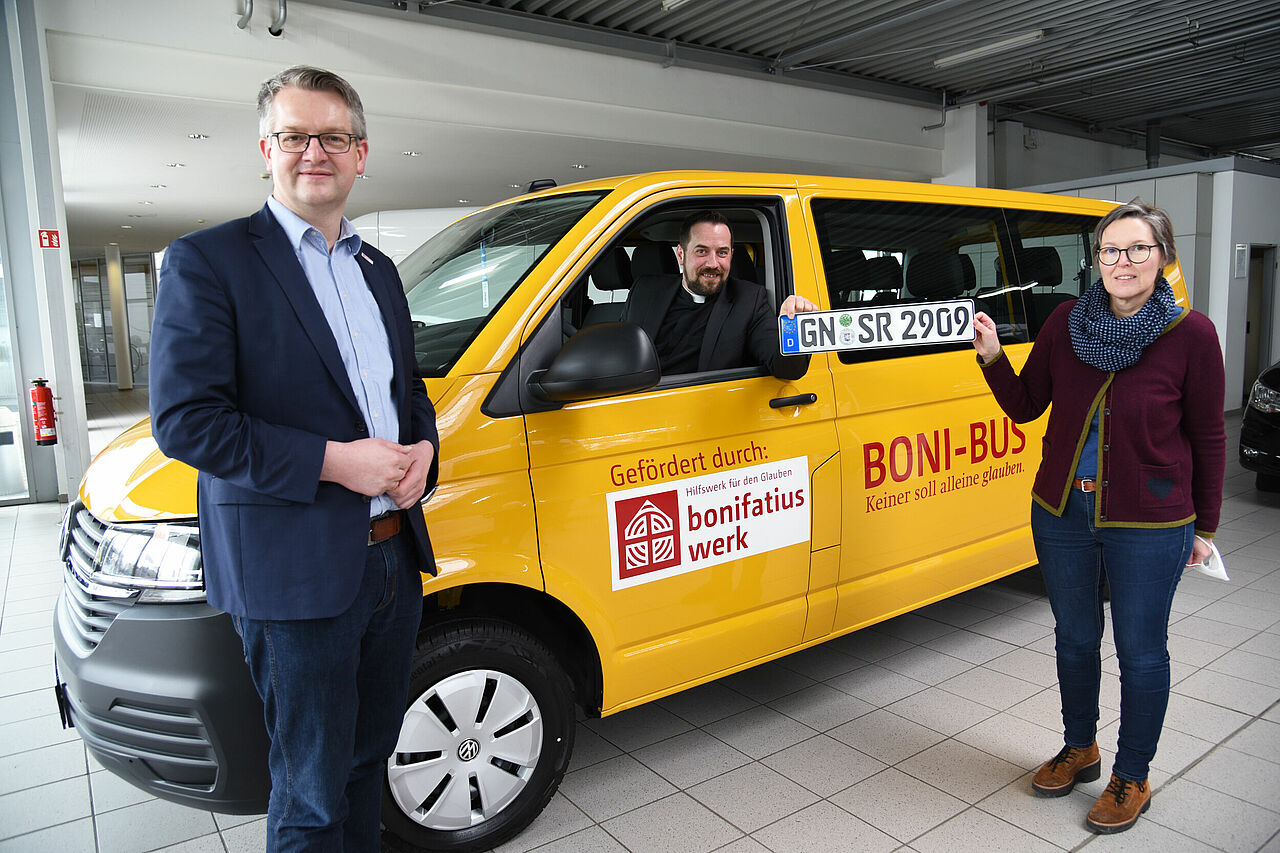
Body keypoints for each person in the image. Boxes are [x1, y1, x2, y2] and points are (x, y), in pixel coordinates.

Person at [150, 66, 439, 851]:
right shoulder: (210, 261)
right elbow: (186, 421)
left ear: (361, 152)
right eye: (295, 135)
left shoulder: (378, 272)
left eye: (334, 137)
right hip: (294, 575)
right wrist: (334, 463)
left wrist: (422, 453)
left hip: (391, 562)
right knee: (309, 789)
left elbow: (405, 390)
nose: (316, 151)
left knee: (365, 762)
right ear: (266, 149)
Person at [972, 200, 1224, 834]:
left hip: (1150, 519)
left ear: (1163, 258)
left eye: (1139, 249)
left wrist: (1207, 526)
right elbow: (1028, 407)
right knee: (1075, 640)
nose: (1123, 261)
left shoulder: (1190, 334)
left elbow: (1208, 436)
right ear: (1097, 259)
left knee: (1141, 652)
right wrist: (992, 357)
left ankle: (1132, 776)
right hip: (1062, 510)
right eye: (1111, 250)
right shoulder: (1067, 321)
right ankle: (1080, 748)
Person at [620, 211, 817, 378]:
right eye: (701, 251)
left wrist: (792, 326)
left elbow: (788, 370)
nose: (713, 263)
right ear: (681, 254)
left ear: (731, 254)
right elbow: (620, 358)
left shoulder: (749, 300)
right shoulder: (644, 291)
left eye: (722, 253)